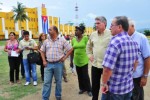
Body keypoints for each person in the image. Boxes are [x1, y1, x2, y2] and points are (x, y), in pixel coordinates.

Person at [101, 16, 139, 100]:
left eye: (111, 25)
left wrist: (104, 84)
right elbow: (135, 64)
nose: (110, 27)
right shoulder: (134, 42)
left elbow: (107, 69)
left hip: (115, 90)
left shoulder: (115, 42)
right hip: (128, 87)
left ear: (119, 27)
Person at [41, 26, 73, 100]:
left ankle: (58, 96)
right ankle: (45, 98)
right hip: (48, 64)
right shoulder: (46, 41)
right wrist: (44, 61)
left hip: (58, 64)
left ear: (55, 31)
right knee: (46, 82)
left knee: (58, 81)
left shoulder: (62, 40)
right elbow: (42, 51)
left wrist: (64, 58)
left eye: (50, 29)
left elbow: (70, 49)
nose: (48, 31)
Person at [86, 16, 112, 100]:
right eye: (95, 23)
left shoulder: (111, 34)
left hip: (107, 67)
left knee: (107, 85)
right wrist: (90, 55)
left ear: (104, 24)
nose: (96, 25)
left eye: (98, 23)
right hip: (95, 65)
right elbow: (88, 47)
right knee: (95, 85)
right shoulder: (93, 34)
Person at [128, 19, 150, 100]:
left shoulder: (141, 38)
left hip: (137, 76)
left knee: (137, 96)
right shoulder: (124, 38)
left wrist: (145, 76)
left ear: (133, 26)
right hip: (126, 77)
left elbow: (147, 58)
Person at [70, 25, 92, 96]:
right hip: (76, 60)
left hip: (84, 60)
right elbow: (72, 51)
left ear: (81, 32)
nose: (75, 31)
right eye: (75, 30)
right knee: (79, 75)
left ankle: (89, 89)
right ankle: (82, 88)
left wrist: (90, 56)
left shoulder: (85, 38)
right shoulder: (73, 40)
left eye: (77, 30)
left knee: (85, 75)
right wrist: (71, 61)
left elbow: (89, 48)